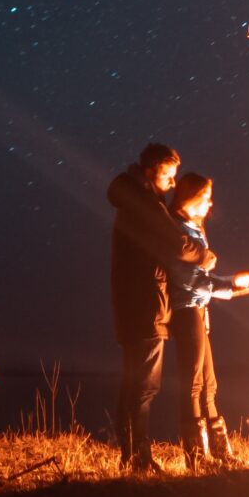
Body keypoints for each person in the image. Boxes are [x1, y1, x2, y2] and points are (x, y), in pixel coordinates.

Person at [107, 142, 213, 473]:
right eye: (169, 175)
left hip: (135, 304)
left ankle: (133, 456)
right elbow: (177, 245)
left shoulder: (138, 201)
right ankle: (138, 458)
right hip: (146, 306)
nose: (172, 182)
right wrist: (205, 256)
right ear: (153, 172)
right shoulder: (145, 204)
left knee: (135, 384)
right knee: (144, 385)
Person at [164, 173, 249, 469]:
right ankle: (197, 458)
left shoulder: (194, 229)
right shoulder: (177, 231)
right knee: (192, 385)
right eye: (205, 197)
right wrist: (228, 288)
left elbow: (201, 279)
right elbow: (187, 280)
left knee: (209, 385)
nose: (210, 203)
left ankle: (219, 452)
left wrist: (232, 283)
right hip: (186, 310)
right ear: (189, 198)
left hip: (200, 311)